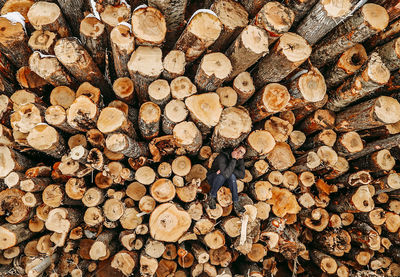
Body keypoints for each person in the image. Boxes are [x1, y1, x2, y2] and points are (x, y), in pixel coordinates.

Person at [207, 145, 246, 213]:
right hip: (213, 178)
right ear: (235, 149)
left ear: (241, 156)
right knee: (222, 175)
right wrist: (233, 159)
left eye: (241, 153)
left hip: (225, 181)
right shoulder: (223, 156)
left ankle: (236, 202)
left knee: (232, 176)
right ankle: (212, 196)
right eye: (239, 150)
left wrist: (229, 169)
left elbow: (242, 175)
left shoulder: (240, 160)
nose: (239, 153)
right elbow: (226, 174)